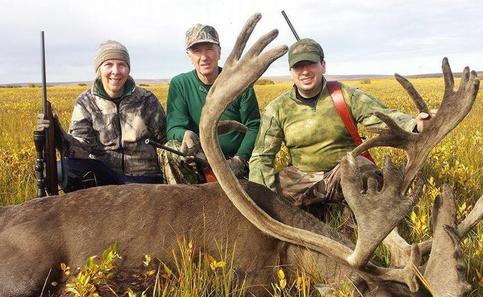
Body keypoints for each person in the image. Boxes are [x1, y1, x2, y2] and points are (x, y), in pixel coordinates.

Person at [249, 38, 430, 207]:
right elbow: (261, 157)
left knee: (368, 177)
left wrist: (415, 124)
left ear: (323, 65)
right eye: (298, 66)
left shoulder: (345, 95)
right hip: (302, 178)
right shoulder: (277, 108)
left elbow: (382, 116)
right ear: (291, 73)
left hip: (345, 172)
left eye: (311, 63)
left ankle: (353, 220)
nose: (304, 71)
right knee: (272, 192)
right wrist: (261, 201)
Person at [37, 40, 166, 192]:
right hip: (106, 176)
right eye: (109, 64)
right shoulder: (86, 102)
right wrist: (57, 133)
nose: (116, 71)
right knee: (66, 167)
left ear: (128, 69)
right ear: (99, 70)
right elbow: (80, 147)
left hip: (145, 176)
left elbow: (165, 140)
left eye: (122, 65)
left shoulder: (146, 99)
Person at [158, 23, 261, 184]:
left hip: (236, 159)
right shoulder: (180, 84)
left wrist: (240, 159)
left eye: (209, 49)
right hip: (200, 159)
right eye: (197, 51)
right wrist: (184, 134)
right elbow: (173, 129)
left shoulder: (240, 82)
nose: (204, 57)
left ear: (219, 51)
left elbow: (254, 125)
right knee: (171, 150)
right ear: (189, 56)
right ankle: (185, 202)